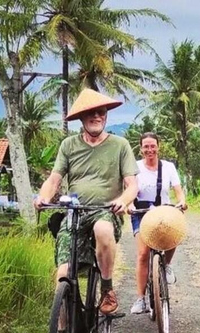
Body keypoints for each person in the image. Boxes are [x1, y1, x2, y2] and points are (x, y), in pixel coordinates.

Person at [34, 89, 138, 317]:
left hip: (105, 211)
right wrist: (42, 197)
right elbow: (54, 180)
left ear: (106, 116)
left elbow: (132, 185)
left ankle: (107, 289)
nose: (96, 116)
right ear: (81, 118)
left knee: (102, 229)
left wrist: (122, 201)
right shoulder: (69, 146)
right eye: (90, 113)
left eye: (101, 112)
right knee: (62, 275)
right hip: (75, 213)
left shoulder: (120, 145)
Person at [128, 132, 187, 315]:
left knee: (174, 235)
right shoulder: (134, 167)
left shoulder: (168, 167)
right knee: (143, 253)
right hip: (141, 213)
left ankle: (167, 265)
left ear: (158, 146)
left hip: (164, 212)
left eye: (152, 146)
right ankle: (140, 298)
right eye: (146, 146)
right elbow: (129, 191)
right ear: (141, 148)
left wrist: (182, 201)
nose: (149, 150)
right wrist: (129, 204)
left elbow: (178, 191)